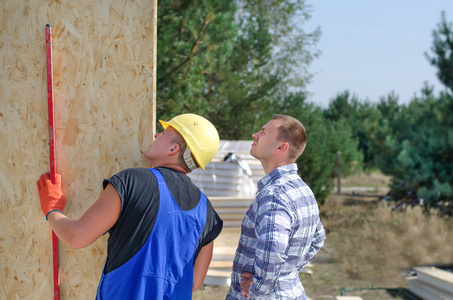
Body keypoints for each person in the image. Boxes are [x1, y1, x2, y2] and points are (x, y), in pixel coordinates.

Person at [37, 113, 224, 299]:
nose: (156, 135)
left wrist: (52, 208)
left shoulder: (133, 182)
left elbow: (76, 237)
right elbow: (194, 283)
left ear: (173, 148)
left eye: (164, 133)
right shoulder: (207, 212)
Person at [226, 114, 326, 300]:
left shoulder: (274, 194)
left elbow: (273, 250)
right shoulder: (302, 189)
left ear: (282, 147)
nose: (255, 135)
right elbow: (318, 238)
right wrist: (287, 273)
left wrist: (256, 289)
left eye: (263, 132)